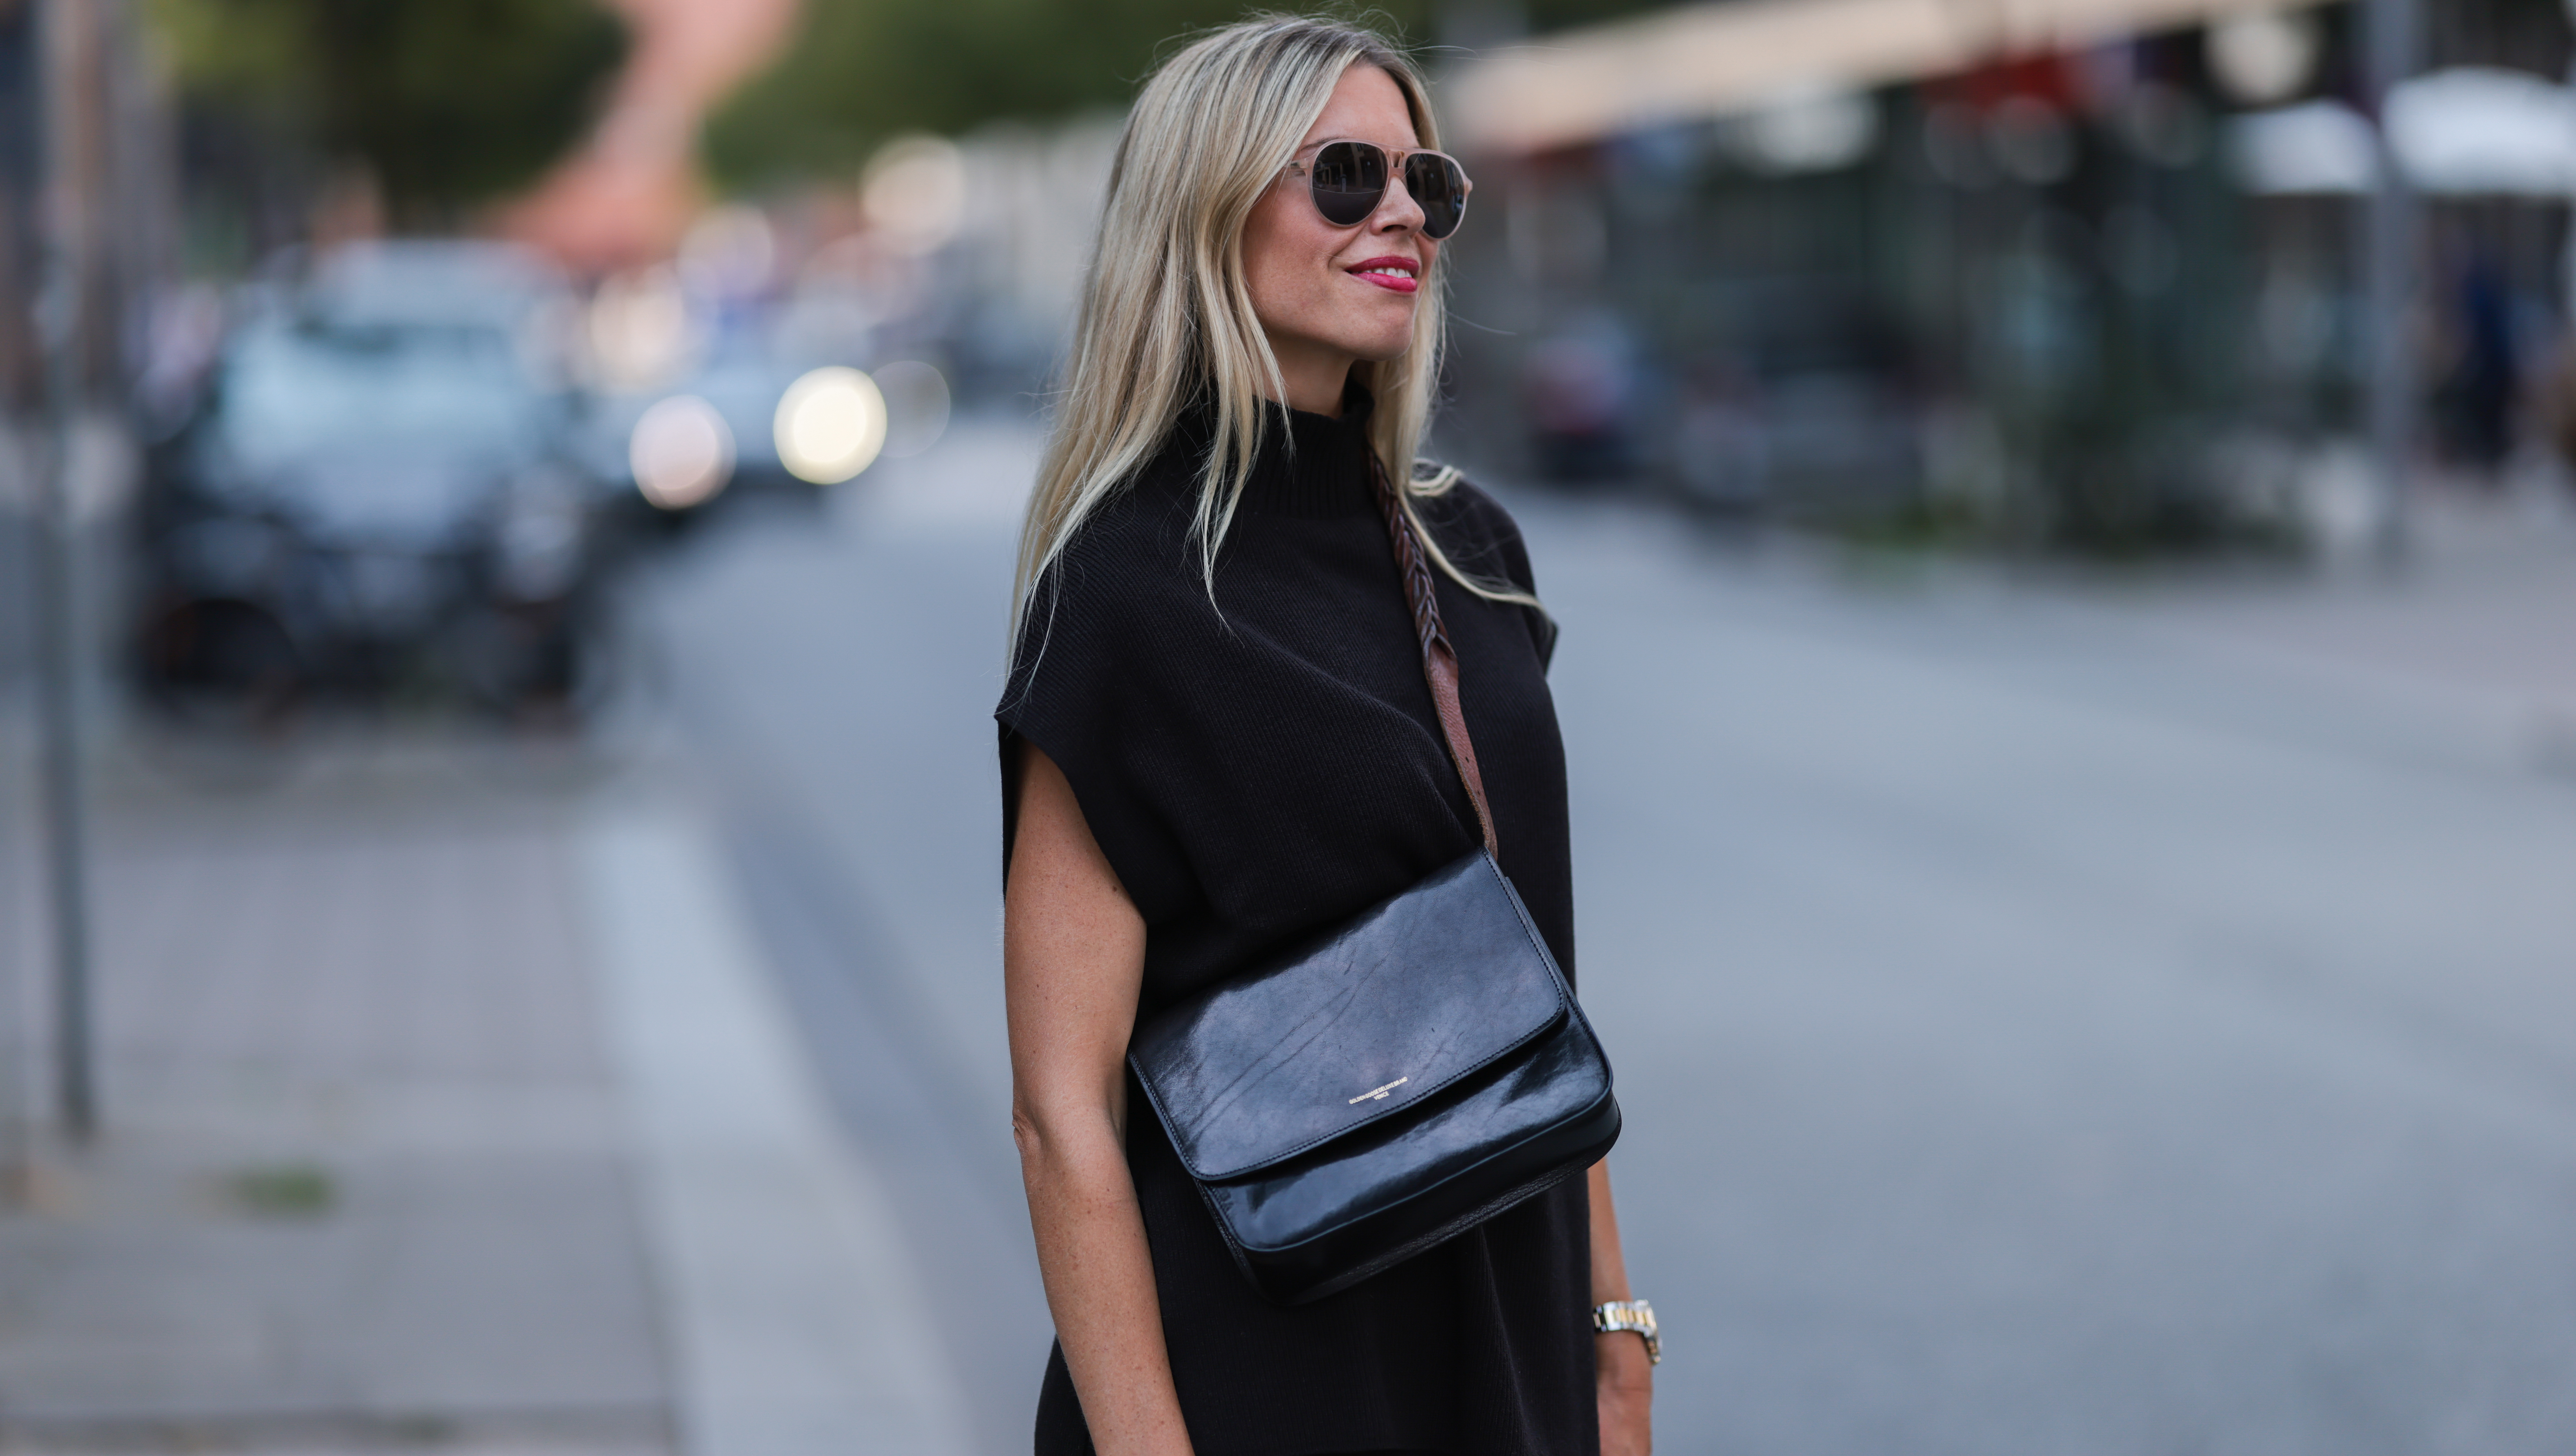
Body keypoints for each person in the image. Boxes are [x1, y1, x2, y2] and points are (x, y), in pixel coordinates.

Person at [997, 18, 1653, 1456]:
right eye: (1347, 175)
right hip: (1263, 1373)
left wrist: (1614, 1333)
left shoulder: (1469, 551)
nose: (1404, 211)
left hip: (1515, 1349)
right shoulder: (1126, 592)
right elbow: (1060, 1110)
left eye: (1429, 181)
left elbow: (1528, 987)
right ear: (1205, 209)